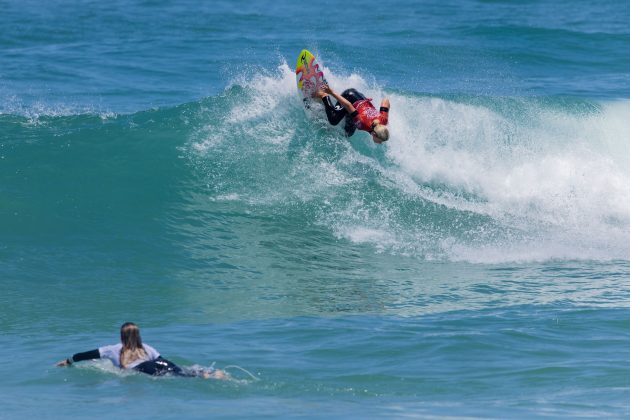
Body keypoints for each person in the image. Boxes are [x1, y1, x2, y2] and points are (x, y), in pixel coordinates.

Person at [56, 322, 227, 379]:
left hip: (142, 369)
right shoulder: (146, 347)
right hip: (158, 362)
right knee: (181, 372)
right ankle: (208, 373)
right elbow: (164, 360)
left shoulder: (113, 349)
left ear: (121, 336)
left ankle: (206, 376)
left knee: (177, 377)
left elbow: (85, 355)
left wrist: (69, 361)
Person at [317, 84, 390, 143]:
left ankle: (333, 120)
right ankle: (323, 95)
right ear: (374, 134)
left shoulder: (384, 121)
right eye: (380, 141)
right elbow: (348, 105)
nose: (380, 143)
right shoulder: (362, 123)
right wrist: (331, 92)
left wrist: (368, 109)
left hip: (360, 97)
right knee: (333, 120)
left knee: (348, 133)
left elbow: (385, 100)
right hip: (349, 97)